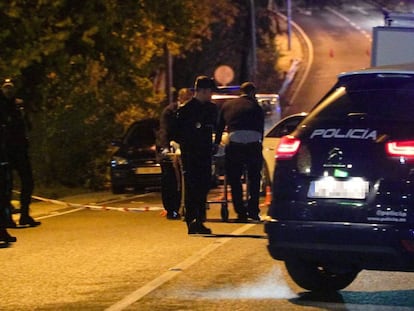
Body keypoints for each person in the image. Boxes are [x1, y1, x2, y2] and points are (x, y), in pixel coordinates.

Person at [214, 82, 264, 222]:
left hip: (235, 145)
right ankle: (253, 210)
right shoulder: (256, 107)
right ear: (252, 93)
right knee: (254, 178)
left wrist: (216, 144)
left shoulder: (228, 105)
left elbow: (219, 127)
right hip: (253, 145)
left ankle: (240, 211)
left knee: (234, 178)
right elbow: (261, 129)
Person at [174, 76, 218, 234]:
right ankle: (192, 219)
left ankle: (199, 219)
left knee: (203, 185)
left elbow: (215, 127)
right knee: (193, 187)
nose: (211, 95)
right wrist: (188, 144)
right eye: (209, 92)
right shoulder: (186, 110)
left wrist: (215, 143)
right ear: (203, 91)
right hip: (191, 154)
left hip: (205, 153)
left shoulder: (211, 109)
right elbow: (177, 132)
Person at [0, 79, 40, 227]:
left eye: (10, 88)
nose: (8, 91)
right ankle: (7, 218)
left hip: (20, 149)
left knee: (27, 182)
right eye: (6, 88)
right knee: (6, 185)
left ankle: (25, 214)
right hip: (5, 150)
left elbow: (28, 125)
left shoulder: (19, 105)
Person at [157, 88, 192, 220]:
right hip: (169, 149)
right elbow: (164, 130)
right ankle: (171, 209)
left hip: (184, 148)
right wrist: (166, 148)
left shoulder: (191, 112)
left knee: (186, 180)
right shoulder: (170, 111)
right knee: (169, 180)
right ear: (181, 99)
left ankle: (185, 206)